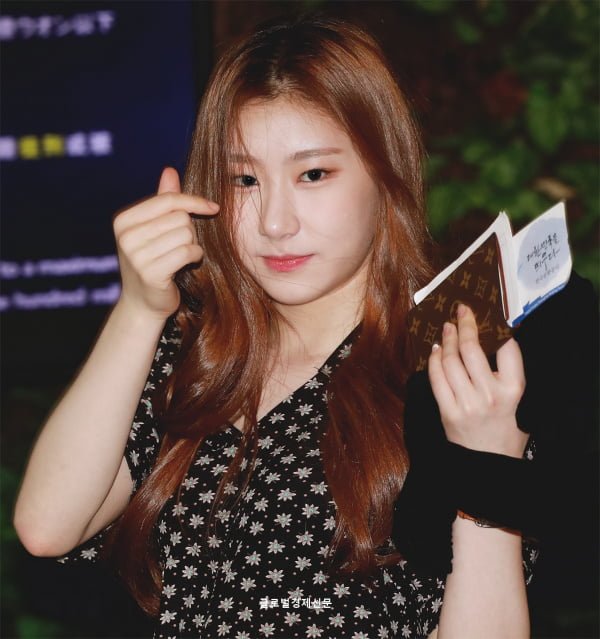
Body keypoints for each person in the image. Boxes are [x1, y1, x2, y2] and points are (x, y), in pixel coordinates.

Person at [14, 14, 592, 639]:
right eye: (245, 180)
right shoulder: (196, 357)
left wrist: (487, 464)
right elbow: (47, 528)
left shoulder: (454, 366)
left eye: (313, 174)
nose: (275, 222)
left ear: (385, 172)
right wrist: (139, 309)